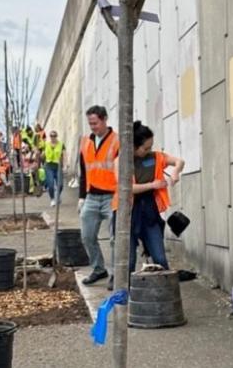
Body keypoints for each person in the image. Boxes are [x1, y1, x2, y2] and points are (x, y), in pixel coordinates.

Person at [116, 121, 184, 275]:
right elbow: (125, 189)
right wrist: (152, 185)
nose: (149, 150)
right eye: (145, 148)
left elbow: (179, 161)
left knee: (160, 259)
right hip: (126, 216)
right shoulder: (121, 162)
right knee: (129, 262)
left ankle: (164, 294)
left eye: (150, 146)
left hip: (149, 214)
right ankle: (124, 293)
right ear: (134, 146)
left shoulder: (155, 158)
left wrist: (176, 172)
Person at [78, 105, 119, 285]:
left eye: (95, 123)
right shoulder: (86, 142)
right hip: (92, 197)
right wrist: (81, 197)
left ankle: (117, 274)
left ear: (104, 119)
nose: (92, 127)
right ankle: (98, 268)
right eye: (90, 123)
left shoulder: (117, 141)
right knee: (87, 236)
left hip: (113, 196)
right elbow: (83, 171)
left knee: (115, 239)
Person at [43, 130, 65, 207]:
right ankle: (52, 199)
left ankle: (58, 195)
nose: (53, 137)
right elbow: (42, 153)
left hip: (58, 166)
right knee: (51, 184)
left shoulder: (61, 144)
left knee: (61, 184)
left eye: (54, 135)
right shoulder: (46, 144)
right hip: (49, 166)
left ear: (56, 136)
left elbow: (64, 154)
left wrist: (66, 164)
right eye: (51, 136)